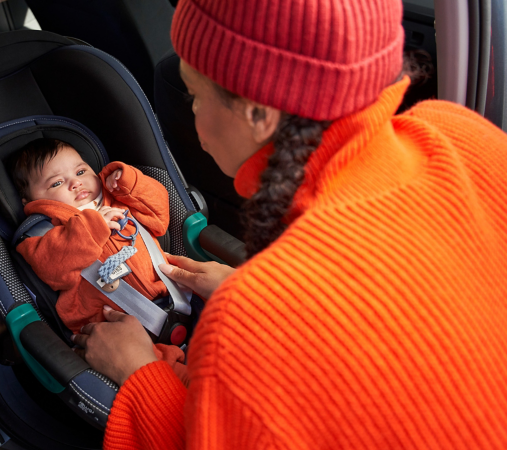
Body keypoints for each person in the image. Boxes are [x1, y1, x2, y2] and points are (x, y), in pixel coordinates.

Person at [73, 0, 507, 448]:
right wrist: (257, 292)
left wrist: (140, 374)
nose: (192, 115)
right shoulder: (462, 135)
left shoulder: (253, 326)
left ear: (259, 112)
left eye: (194, 95)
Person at [13, 138, 189, 383]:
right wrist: (92, 227)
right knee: (176, 377)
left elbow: (160, 215)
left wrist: (129, 184)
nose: (76, 183)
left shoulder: (121, 202)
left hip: (179, 299)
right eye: (56, 183)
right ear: (31, 202)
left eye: (81, 171)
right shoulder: (43, 235)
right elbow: (51, 267)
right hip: (115, 331)